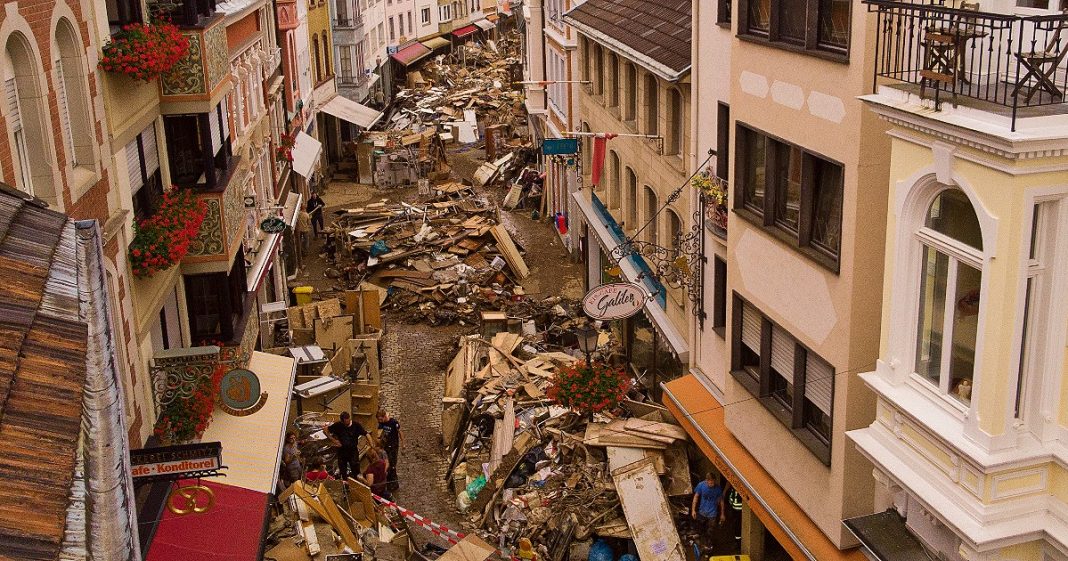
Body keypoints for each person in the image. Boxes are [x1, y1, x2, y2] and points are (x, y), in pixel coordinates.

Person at [327, 412, 367, 480]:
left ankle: (356, 484)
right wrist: (334, 440)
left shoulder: (356, 425)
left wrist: (371, 443)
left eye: (348, 421)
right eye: (346, 423)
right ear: (342, 421)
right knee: (343, 471)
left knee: (356, 470)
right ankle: (345, 484)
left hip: (353, 451)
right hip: (342, 452)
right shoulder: (338, 425)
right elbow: (326, 430)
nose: (347, 424)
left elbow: (365, 433)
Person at [691, 473, 726, 545]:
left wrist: (722, 514)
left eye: (713, 482)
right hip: (702, 512)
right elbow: (696, 497)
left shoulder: (718, 488)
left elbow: (721, 501)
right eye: (710, 483)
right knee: (700, 527)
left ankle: (708, 543)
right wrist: (693, 510)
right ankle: (700, 542)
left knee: (710, 530)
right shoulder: (701, 485)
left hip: (712, 514)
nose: (712, 484)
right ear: (706, 481)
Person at [377, 409, 401, 490]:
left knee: (392, 464)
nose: (380, 421)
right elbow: (379, 432)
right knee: (387, 463)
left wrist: (403, 443)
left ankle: (394, 483)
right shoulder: (381, 423)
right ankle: (389, 481)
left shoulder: (393, 422)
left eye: (380, 419)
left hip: (393, 445)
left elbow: (400, 432)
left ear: (384, 417)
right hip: (386, 446)